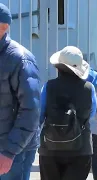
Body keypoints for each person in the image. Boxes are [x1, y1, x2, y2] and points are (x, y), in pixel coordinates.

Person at [38, 46, 97, 180]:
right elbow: (91, 114)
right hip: (80, 148)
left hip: (50, 147)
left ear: (58, 67)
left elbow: (40, 115)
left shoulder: (48, 86)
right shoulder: (89, 88)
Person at [0, 3, 41, 179]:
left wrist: (9, 152)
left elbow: (30, 111)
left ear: (4, 26)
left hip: (14, 151)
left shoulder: (21, 59)